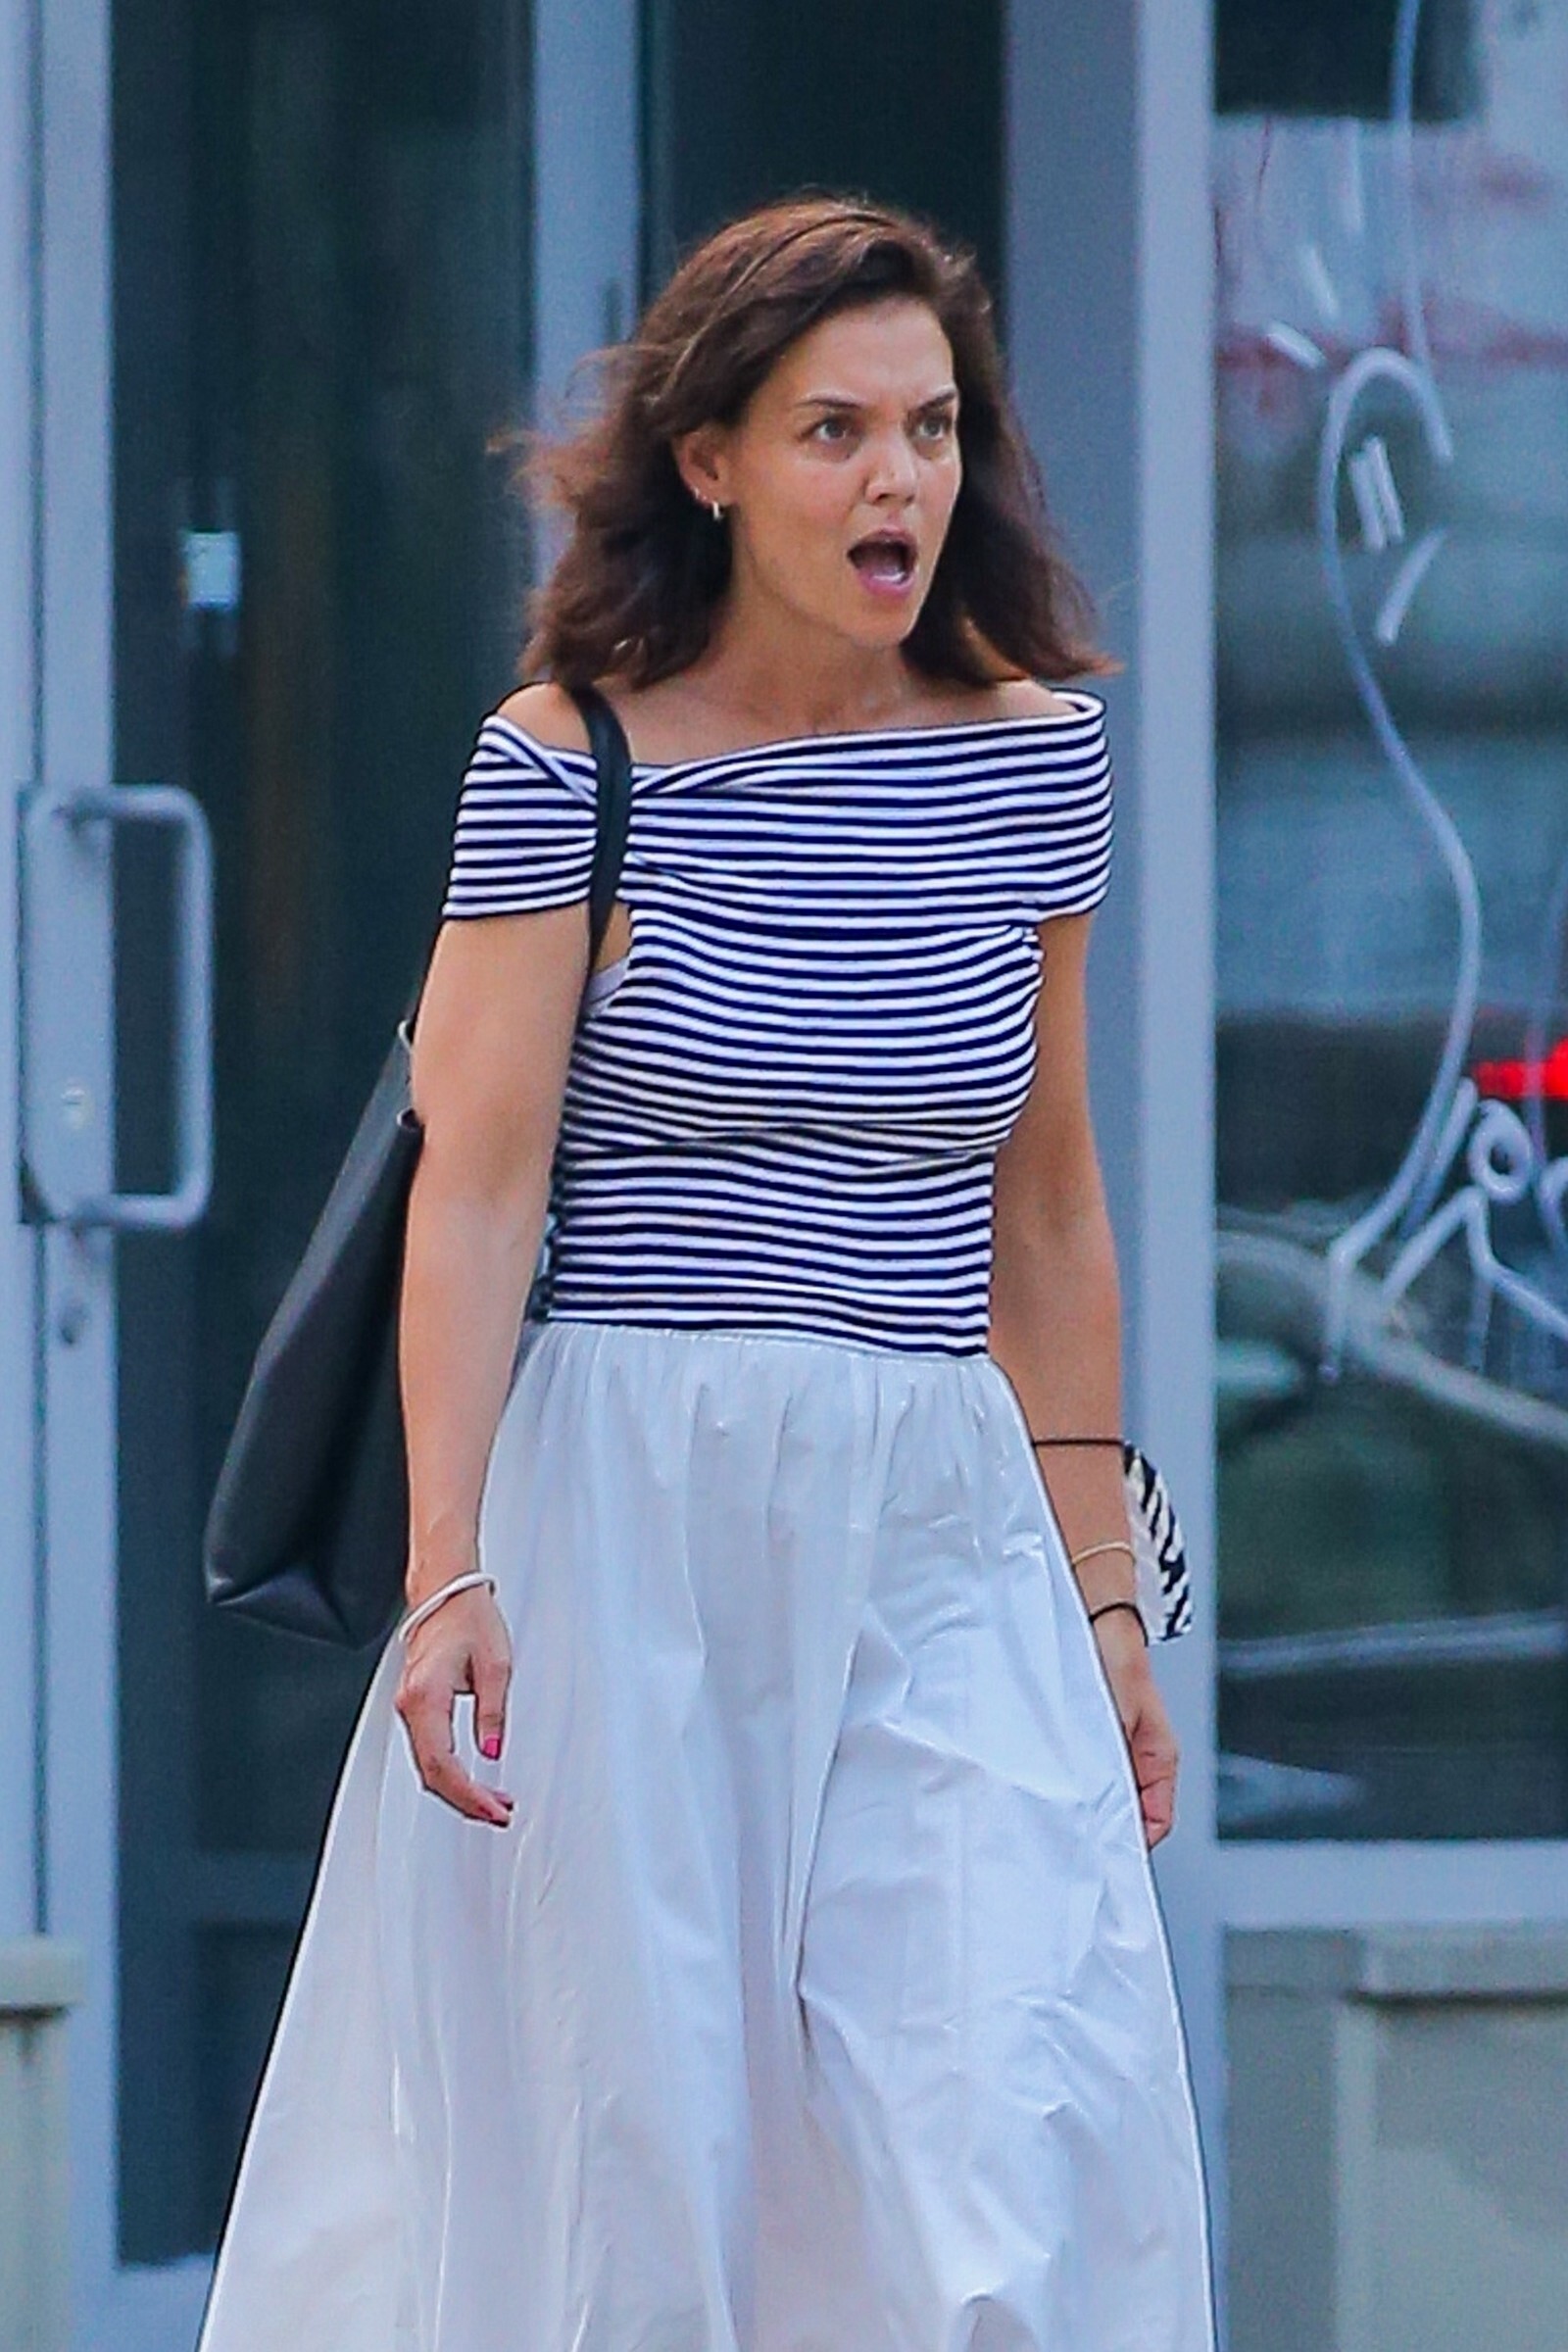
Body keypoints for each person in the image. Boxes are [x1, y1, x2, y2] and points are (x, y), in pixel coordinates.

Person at [195, 193, 1217, 2352]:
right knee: (635, 2186)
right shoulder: (570, 763)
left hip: (937, 1517)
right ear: (712, 461)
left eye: (930, 428)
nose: (897, 479)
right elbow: (476, 1197)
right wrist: (450, 1573)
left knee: (1016, 2141)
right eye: (836, 431)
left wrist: (1106, 1598)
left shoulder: (1033, 754)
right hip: (624, 1515)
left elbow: (1045, 1208)